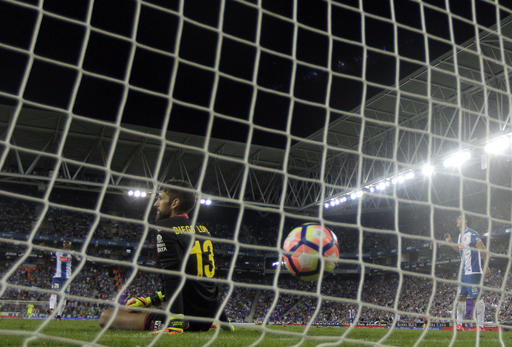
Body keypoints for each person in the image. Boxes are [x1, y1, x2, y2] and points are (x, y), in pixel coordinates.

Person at [99, 179, 233, 334]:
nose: (156, 203)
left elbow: (173, 277)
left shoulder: (165, 229)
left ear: (174, 203)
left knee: (106, 316)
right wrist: (224, 320)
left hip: (187, 318)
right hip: (207, 315)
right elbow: (205, 280)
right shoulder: (203, 230)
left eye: (160, 198)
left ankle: (178, 323)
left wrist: (176, 322)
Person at [444, 214, 490, 331]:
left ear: (465, 221)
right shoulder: (461, 236)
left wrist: (486, 265)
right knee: (461, 297)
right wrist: (450, 242)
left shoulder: (472, 233)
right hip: (464, 272)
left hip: (473, 271)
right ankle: (459, 324)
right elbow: (459, 249)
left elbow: (481, 247)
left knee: (476, 298)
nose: (457, 219)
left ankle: (480, 326)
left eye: (460, 218)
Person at [48, 240, 73, 320]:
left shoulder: (70, 254)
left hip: (67, 279)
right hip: (57, 277)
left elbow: (64, 259)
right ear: (63, 244)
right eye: (65, 244)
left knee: (64, 297)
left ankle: (59, 315)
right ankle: (51, 309)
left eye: (67, 244)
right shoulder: (59, 252)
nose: (66, 245)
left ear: (69, 245)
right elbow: (50, 252)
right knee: (54, 293)